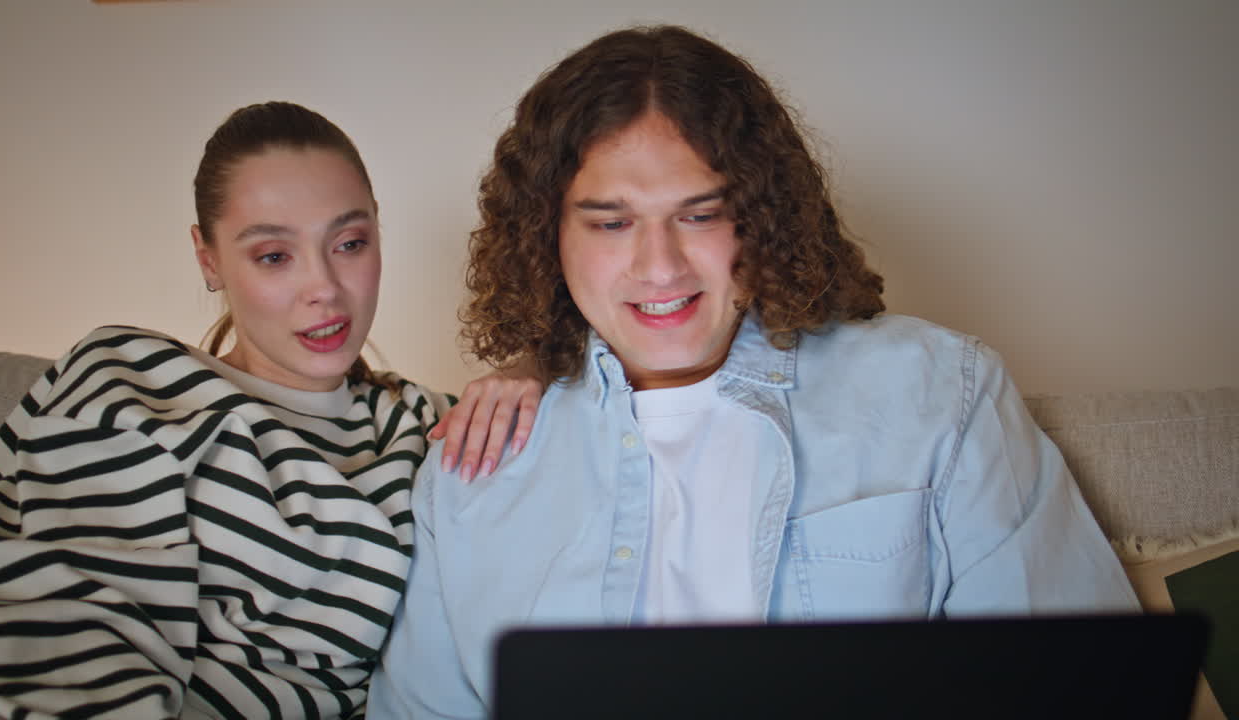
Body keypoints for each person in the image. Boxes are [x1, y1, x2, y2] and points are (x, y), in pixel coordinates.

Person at [368, 25, 1140, 718]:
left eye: (701, 214)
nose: (659, 266)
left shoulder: (943, 394)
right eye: (611, 223)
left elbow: (1078, 685)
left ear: (761, 214)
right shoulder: (474, 468)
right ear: (548, 233)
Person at [0, 102, 541, 719]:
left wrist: (536, 366)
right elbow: (72, 637)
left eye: (349, 243)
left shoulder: (423, 425)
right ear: (208, 259)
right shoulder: (133, 379)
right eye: (273, 256)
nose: (323, 286)